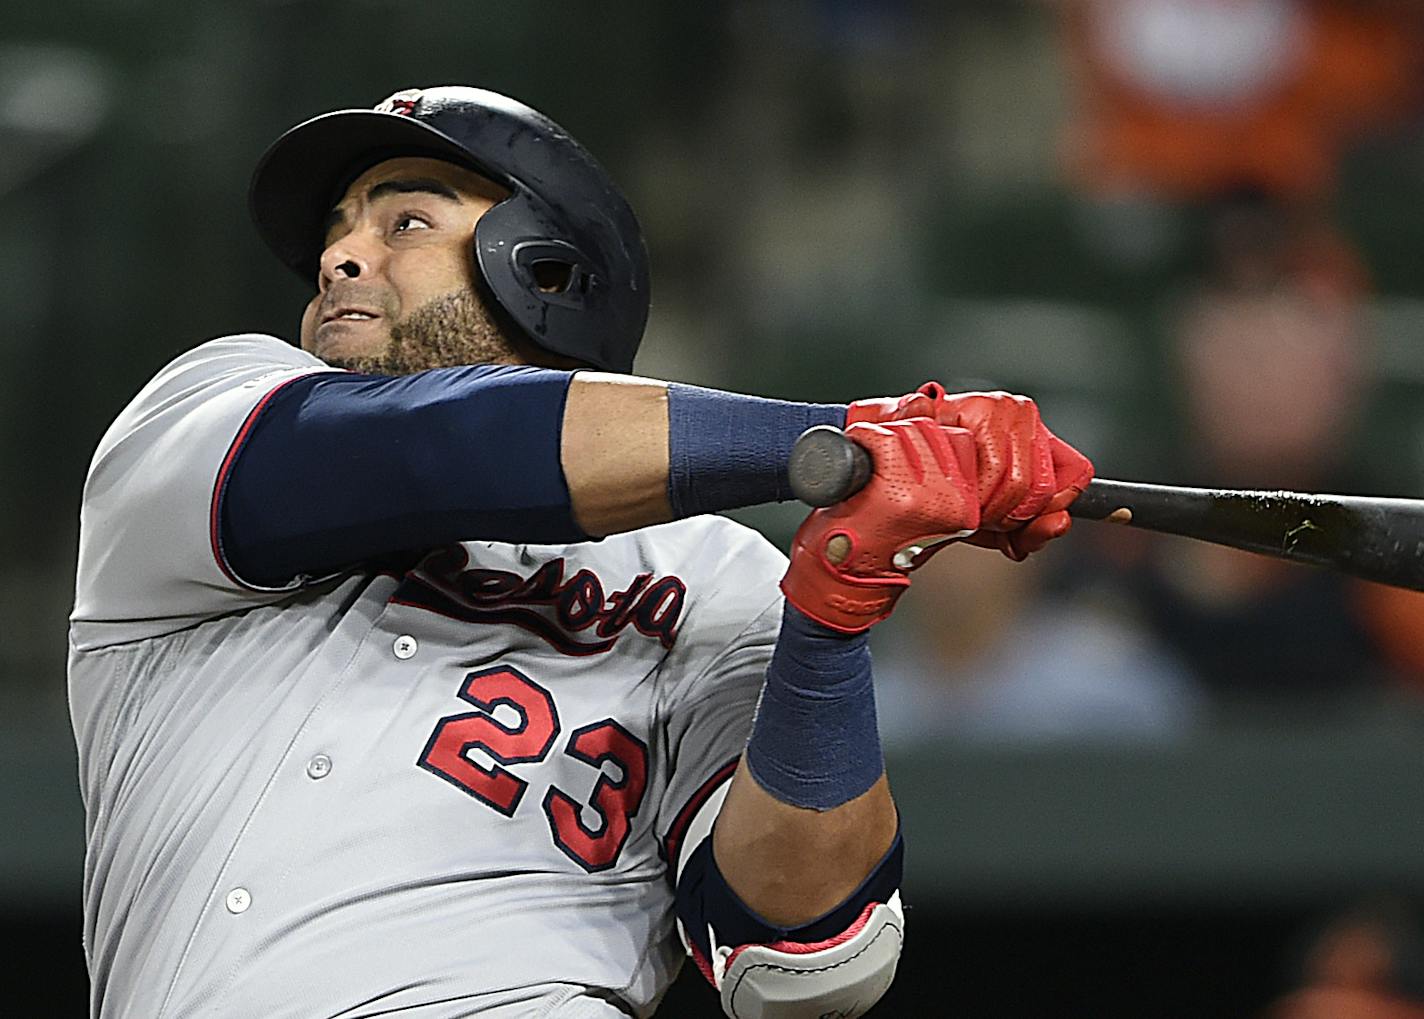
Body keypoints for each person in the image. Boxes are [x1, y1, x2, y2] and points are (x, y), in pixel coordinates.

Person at [67, 86, 1092, 1018]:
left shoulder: (713, 571)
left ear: (541, 270)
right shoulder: (204, 412)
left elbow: (802, 953)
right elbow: (442, 445)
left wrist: (830, 621)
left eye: (404, 222)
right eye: (336, 235)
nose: (339, 257)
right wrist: (842, 442)